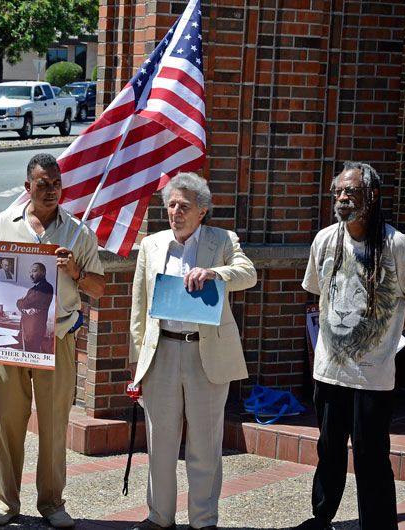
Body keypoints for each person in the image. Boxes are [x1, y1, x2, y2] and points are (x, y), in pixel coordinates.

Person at [0, 153, 105, 528]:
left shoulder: (78, 232)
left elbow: (98, 288)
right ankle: (5, 502)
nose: (51, 190)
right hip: (12, 341)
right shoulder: (4, 223)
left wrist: (75, 270)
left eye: (56, 183)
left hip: (58, 338)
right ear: (27, 188)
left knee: (54, 423)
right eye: (42, 184)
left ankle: (52, 503)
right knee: (8, 420)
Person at [296, 161, 405, 530]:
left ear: (371, 196)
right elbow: (318, 293)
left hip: (373, 377)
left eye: (351, 191)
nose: (342, 197)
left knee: (372, 457)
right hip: (329, 371)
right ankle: (321, 518)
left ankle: (379, 525)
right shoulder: (325, 239)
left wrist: (384, 335)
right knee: (328, 451)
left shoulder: (396, 244)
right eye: (338, 191)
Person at [129, 172, 257, 530]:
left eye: (183, 206)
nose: (175, 212)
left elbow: (248, 274)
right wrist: (137, 361)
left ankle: (203, 520)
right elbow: (139, 306)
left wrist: (215, 273)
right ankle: (159, 517)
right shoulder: (152, 245)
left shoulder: (223, 240)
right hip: (163, 352)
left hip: (207, 355)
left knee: (205, 443)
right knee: (161, 442)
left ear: (202, 211)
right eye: (170, 205)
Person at [16, 262, 54, 353]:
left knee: (32, 355)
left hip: (34, 331)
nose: (31, 275)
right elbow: (22, 304)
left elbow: (24, 303)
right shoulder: (33, 289)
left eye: (34, 271)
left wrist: (21, 303)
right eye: (30, 272)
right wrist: (23, 306)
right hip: (26, 329)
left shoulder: (46, 287)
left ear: (43, 273)